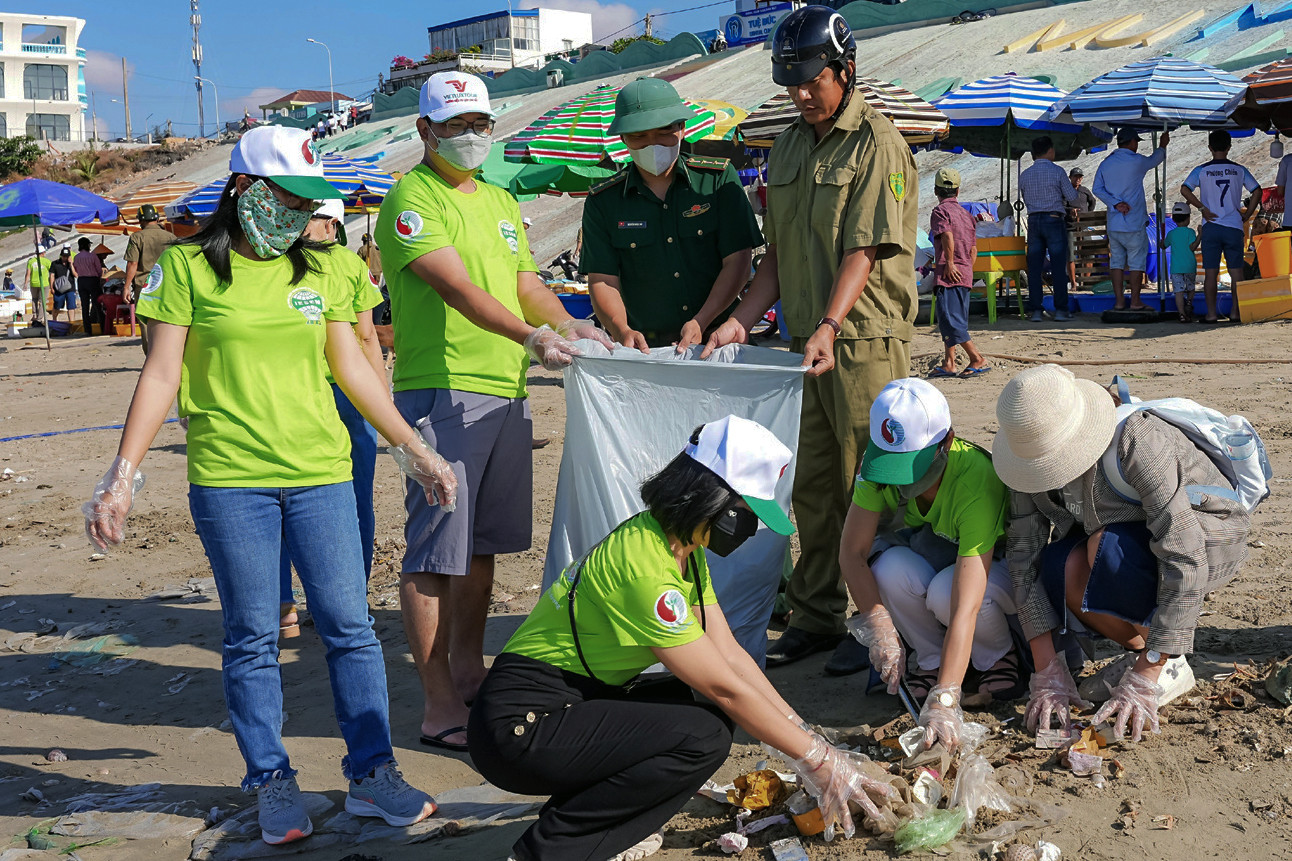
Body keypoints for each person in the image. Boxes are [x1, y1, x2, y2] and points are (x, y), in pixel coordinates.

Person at [83, 126, 452, 845]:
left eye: (310, 202)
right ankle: (271, 780)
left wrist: (415, 450)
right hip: (231, 481)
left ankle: (373, 774)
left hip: (321, 473)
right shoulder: (187, 268)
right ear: (246, 190)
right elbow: (160, 375)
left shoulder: (328, 268)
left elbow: (352, 367)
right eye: (290, 198)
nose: (299, 215)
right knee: (252, 636)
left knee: (349, 626)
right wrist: (121, 475)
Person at [469, 416, 893, 860]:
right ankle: (547, 851)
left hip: (572, 700)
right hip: (519, 726)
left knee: (697, 710)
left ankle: (600, 825)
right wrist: (816, 760)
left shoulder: (681, 548)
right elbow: (724, 687)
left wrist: (807, 736)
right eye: (748, 514)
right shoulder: (645, 568)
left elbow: (731, 657)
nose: (750, 530)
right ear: (717, 500)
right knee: (700, 736)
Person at [375, 71, 613, 751]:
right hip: (441, 390)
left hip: (503, 392)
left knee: (480, 548)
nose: (471, 136)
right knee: (432, 550)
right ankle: (438, 703)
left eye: (479, 123)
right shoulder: (410, 201)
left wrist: (570, 326)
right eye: (454, 126)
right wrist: (530, 337)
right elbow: (455, 288)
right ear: (424, 131)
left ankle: (469, 667)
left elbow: (522, 284)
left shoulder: (503, 201)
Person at [703, 6, 918, 675]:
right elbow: (778, 256)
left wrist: (828, 323)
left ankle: (884, 619)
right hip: (810, 342)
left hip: (864, 338)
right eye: (789, 82)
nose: (799, 92)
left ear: (844, 70)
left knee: (873, 480)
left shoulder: (877, 142)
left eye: (810, 79)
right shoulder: (790, 145)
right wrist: (740, 318)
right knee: (814, 485)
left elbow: (866, 248)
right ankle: (819, 612)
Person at [994, 364, 1250, 743]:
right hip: (1128, 540)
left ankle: (1164, 663)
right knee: (1058, 564)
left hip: (1206, 536)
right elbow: (1023, 555)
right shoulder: (1025, 461)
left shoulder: (1136, 440)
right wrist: (1047, 669)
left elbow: (1183, 552)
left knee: (1104, 549)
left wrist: (1147, 678)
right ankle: (1141, 651)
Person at [843, 380, 1023, 749]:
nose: (902, 480)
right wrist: (879, 629)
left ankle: (997, 657)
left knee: (946, 592)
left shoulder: (975, 478)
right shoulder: (875, 461)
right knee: (888, 567)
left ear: (946, 441)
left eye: (912, 465)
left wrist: (945, 698)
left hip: (998, 570)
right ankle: (929, 658)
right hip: (935, 553)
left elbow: (967, 603)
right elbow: (852, 553)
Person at [582, 78, 763, 352]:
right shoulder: (603, 200)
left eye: (663, 131)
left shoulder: (716, 180)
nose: (652, 144)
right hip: (645, 350)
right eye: (639, 136)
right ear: (622, 138)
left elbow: (738, 259)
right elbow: (602, 279)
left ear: (681, 128)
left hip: (717, 341)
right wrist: (622, 330)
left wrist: (701, 320)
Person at [277, 198, 386, 638]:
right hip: (346, 390)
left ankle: (284, 607)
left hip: (297, 389)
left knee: (280, 495)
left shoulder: (275, 262)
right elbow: (367, 337)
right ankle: (348, 600)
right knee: (355, 499)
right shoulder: (349, 266)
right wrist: (381, 401)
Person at [1180, 129, 1261, 324]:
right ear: (1229, 147)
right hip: (1233, 226)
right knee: (1236, 272)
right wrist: (1247, 215)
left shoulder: (1201, 170)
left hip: (1212, 226)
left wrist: (1202, 208)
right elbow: (1257, 191)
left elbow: (1185, 188)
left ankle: (1211, 314)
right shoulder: (1239, 170)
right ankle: (1236, 313)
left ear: (1209, 147)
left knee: (1211, 273)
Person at [1093, 128, 1169, 311]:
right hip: (1133, 223)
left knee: (1117, 262)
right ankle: (1135, 301)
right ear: (1131, 142)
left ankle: (1119, 302)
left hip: (1114, 223)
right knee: (1136, 263)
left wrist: (1116, 204)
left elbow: (1097, 189)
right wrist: (1162, 145)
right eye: (1136, 142)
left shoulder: (1106, 163)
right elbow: (1155, 160)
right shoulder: (1137, 161)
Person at [927, 168, 988, 378]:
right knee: (952, 319)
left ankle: (976, 358)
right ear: (958, 191)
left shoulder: (939, 212)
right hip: (965, 272)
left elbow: (947, 237)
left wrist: (950, 264)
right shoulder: (967, 215)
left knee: (950, 319)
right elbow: (973, 249)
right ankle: (949, 362)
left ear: (936, 190)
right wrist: (966, 269)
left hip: (948, 272)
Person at [1018, 136, 1077, 322]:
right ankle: (1061, 310)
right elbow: (1072, 196)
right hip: (1053, 219)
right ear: (1050, 150)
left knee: (1034, 268)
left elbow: (1025, 198)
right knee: (1059, 266)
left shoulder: (1025, 175)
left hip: (1034, 220)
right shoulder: (1058, 171)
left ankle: (1036, 310)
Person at [123, 203, 174, 353]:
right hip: (168, 285)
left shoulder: (137, 237)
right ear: (157, 218)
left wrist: (126, 287)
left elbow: (133, 263)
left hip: (145, 287)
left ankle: (151, 357)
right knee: (168, 320)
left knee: (146, 322)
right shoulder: (171, 237)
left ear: (141, 220)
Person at [1165, 201, 1201, 323]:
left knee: (1178, 292)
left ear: (1174, 219)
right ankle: (1189, 302)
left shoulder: (1171, 234)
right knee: (1191, 288)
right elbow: (1192, 247)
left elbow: (1163, 245)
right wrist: (1200, 235)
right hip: (1189, 266)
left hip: (1176, 268)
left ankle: (1181, 314)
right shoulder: (1190, 232)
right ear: (1188, 219)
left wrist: (1161, 240)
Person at [1065, 167, 1097, 290]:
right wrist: (1070, 211)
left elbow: (1092, 201)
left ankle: (1084, 281)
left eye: (1080, 177)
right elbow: (1061, 206)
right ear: (1070, 178)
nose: (1078, 179)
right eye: (1075, 176)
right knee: (1071, 256)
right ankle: (1073, 283)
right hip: (1070, 227)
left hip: (1084, 226)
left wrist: (1087, 214)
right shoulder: (1065, 191)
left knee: (1089, 255)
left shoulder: (1084, 191)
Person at [73, 237, 106, 335]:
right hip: (92, 280)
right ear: (87, 245)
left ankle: (88, 330)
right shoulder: (93, 256)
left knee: (85, 306)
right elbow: (99, 270)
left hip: (81, 281)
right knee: (97, 304)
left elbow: (76, 269)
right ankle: (102, 327)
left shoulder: (76, 257)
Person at [49, 246, 77, 323]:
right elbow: (52, 276)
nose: (65, 258)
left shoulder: (72, 264)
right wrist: (51, 287)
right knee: (57, 305)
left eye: (67, 256)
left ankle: (72, 322)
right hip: (59, 288)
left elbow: (75, 275)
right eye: (64, 256)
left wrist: (71, 264)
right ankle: (54, 320)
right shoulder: (55, 263)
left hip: (70, 288)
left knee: (71, 306)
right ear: (61, 255)